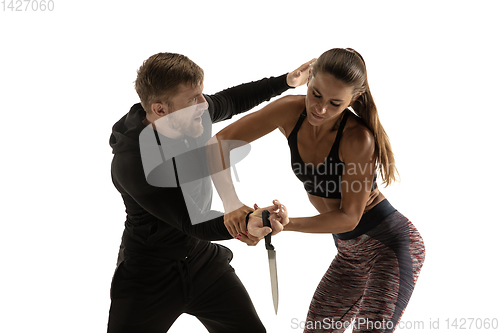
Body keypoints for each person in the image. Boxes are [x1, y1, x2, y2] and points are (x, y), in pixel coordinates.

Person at [211, 48, 426, 333]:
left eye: (335, 103)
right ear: (309, 80)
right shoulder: (289, 111)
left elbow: (349, 217)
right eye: (316, 94)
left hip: (390, 248)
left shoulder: (357, 138)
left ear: (353, 100)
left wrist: (286, 226)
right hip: (349, 254)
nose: (320, 109)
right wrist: (231, 203)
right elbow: (218, 144)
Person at [107, 52, 312, 333]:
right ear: (161, 110)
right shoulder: (132, 161)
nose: (204, 104)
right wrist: (245, 222)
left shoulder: (191, 116)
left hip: (200, 260)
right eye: (192, 99)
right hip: (148, 274)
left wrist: (286, 82)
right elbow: (190, 220)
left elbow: (232, 100)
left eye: (201, 94)